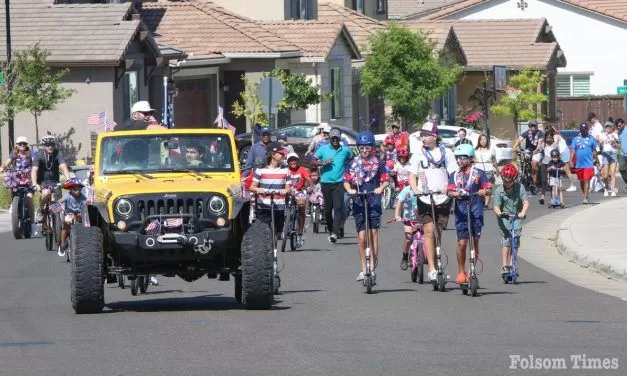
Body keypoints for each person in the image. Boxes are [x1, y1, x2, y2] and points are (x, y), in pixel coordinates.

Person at [408, 122, 457, 283]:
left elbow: (453, 173)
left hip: (442, 198)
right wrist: (415, 189)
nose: (423, 138)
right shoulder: (418, 154)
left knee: (438, 232)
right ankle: (432, 269)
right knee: (428, 232)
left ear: (435, 136)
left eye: (426, 135)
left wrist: (449, 187)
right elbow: (412, 175)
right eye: (422, 135)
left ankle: (436, 261)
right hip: (425, 197)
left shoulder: (447, 153)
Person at [343, 131, 389, 282]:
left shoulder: (379, 163)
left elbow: (385, 180)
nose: (364, 151)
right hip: (359, 201)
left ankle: (373, 268)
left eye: (367, 148)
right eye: (362, 148)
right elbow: (346, 180)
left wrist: (381, 188)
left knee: (373, 234)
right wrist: (349, 189)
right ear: (358, 148)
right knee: (362, 237)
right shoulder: (352, 163)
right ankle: (364, 269)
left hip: (373, 201)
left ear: (372, 148)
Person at [447, 144, 491, 285]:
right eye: (457, 158)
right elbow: (449, 190)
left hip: (476, 212)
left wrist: (485, 192)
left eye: (462, 158)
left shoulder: (479, 173)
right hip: (461, 213)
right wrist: (452, 193)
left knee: (475, 241)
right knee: (461, 243)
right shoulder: (454, 175)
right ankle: (461, 271)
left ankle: (472, 270)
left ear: (471, 159)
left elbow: (488, 188)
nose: (459, 161)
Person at [312, 128, 353, 243]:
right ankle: (331, 230)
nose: (335, 140)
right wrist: (323, 163)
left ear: (340, 139)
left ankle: (335, 232)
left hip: (339, 182)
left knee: (338, 207)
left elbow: (352, 159)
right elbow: (312, 161)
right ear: (330, 138)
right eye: (333, 138)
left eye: (337, 138)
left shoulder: (345, 150)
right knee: (327, 210)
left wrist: (348, 171)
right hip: (325, 182)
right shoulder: (323, 149)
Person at [248, 142, 292, 242]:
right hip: (264, 205)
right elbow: (252, 187)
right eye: (281, 153)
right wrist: (259, 189)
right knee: (264, 231)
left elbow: (289, 188)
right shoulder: (260, 170)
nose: (283, 155)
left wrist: (285, 190)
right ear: (273, 154)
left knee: (278, 232)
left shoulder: (286, 171)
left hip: (279, 205)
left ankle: (273, 249)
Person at [493, 164, 529, 275]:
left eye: (509, 181)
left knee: (516, 240)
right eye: (505, 181)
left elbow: (525, 202)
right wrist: (500, 213)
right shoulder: (499, 190)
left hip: (517, 216)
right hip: (504, 218)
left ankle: (513, 263)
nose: (507, 183)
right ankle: (504, 266)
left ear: (514, 179)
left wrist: (523, 212)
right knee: (507, 241)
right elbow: (496, 206)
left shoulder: (520, 187)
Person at [31, 134, 71, 220]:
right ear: (44, 145)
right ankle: (40, 210)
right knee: (46, 193)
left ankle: (57, 226)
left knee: (58, 202)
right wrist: (35, 184)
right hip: (42, 181)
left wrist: (69, 180)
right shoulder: (39, 154)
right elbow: (34, 170)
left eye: (52, 144)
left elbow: (63, 166)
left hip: (55, 182)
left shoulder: (58, 153)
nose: (50, 146)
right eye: (48, 145)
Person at [0, 136, 36, 227]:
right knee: (9, 183)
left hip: (29, 180)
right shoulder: (14, 154)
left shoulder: (31, 153)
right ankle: (13, 203)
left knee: (29, 198)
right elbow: (6, 163)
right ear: (17, 145)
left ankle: (32, 223)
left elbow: (35, 162)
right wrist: (2, 168)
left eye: (24, 144)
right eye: (20, 144)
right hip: (17, 179)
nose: (22, 145)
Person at [286, 153, 313, 245]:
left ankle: (300, 230)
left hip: (299, 191)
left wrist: (310, 187)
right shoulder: (285, 170)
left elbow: (309, 180)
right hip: (287, 191)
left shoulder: (303, 169)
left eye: (295, 160)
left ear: (298, 161)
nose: (293, 162)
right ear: (288, 162)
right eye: (291, 160)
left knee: (301, 207)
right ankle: (285, 227)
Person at [570, 123, 598, 204]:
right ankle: (586, 195)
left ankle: (585, 198)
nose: (583, 131)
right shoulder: (576, 139)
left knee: (586, 180)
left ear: (587, 130)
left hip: (588, 164)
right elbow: (573, 150)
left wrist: (597, 162)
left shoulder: (591, 139)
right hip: (579, 164)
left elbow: (594, 151)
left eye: (584, 130)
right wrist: (571, 160)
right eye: (581, 130)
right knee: (581, 182)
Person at [58, 178, 88, 252]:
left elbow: (86, 205)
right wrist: (56, 206)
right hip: (69, 213)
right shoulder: (68, 196)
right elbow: (60, 201)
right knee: (66, 225)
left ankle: (82, 239)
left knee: (83, 222)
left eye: (79, 189)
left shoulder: (83, 197)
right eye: (75, 189)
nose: (77, 191)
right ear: (70, 189)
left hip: (78, 213)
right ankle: (62, 243)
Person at [513, 120, 544, 188]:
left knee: (534, 163)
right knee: (522, 159)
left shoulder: (540, 133)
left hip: (537, 151)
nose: (533, 128)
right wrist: (514, 147)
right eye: (531, 126)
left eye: (534, 126)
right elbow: (519, 140)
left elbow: (539, 144)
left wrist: (536, 150)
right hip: (529, 150)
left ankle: (534, 181)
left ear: (536, 127)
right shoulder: (526, 133)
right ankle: (525, 174)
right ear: (529, 127)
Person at [474, 134, 497, 208]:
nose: (483, 141)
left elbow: (494, 160)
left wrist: (497, 169)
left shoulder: (491, 150)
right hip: (478, 172)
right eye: (482, 140)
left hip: (488, 171)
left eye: (485, 139)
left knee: (488, 188)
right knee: (479, 187)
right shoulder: (476, 151)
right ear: (479, 141)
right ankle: (481, 201)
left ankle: (486, 204)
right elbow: (473, 161)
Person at [599, 121, 620, 197]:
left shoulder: (615, 135)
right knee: (605, 175)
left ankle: (613, 190)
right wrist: (601, 142)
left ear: (612, 127)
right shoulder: (603, 135)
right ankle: (606, 189)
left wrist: (614, 144)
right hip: (605, 154)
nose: (607, 128)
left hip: (613, 154)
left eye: (609, 126)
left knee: (613, 173)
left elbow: (618, 146)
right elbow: (599, 142)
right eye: (606, 127)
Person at [538, 132, 558, 205]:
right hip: (544, 163)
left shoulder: (555, 145)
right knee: (544, 180)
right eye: (547, 138)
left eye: (550, 138)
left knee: (552, 181)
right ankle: (542, 196)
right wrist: (535, 152)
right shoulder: (543, 144)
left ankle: (552, 198)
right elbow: (539, 150)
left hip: (552, 164)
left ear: (552, 138)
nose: (548, 139)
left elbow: (558, 154)